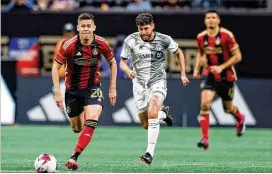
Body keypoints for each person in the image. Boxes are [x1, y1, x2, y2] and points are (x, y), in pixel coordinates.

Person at [120, 12, 189, 165]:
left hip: (157, 81)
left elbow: (179, 53)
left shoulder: (164, 39)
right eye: (140, 29)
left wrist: (183, 74)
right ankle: (163, 114)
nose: (143, 32)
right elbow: (122, 63)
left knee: (152, 112)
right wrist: (128, 71)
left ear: (153, 26)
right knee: (146, 124)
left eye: (146, 28)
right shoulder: (130, 40)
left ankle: (149, 153)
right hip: (138, 84)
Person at [51, 13, 117, 170]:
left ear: (94, 27)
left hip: (92, 88)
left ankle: (74, 156)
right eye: (83, 26)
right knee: (77, 128)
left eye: (89, 26)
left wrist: (112, 88)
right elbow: (55, 68)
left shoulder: (101, 43)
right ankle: (79, 121)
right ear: (78, 28)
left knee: (93, 118)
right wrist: (57, 92)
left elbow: (113, 63)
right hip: (72, 90)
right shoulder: (68, 45)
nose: (86, 29)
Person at [193, 10, 245, 150]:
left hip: (226, 76)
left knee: (228, 109)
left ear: (218, 20)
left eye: (213, 17)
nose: (210, 20)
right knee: (205, 103)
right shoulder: (201, 37)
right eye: (208, 17)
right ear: (205, 20)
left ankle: (240, 118)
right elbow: (201, 54)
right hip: (209, 75)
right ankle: (205, 139)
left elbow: (238, 56)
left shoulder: (227, 36)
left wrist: (221, 67)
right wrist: (197, 69)